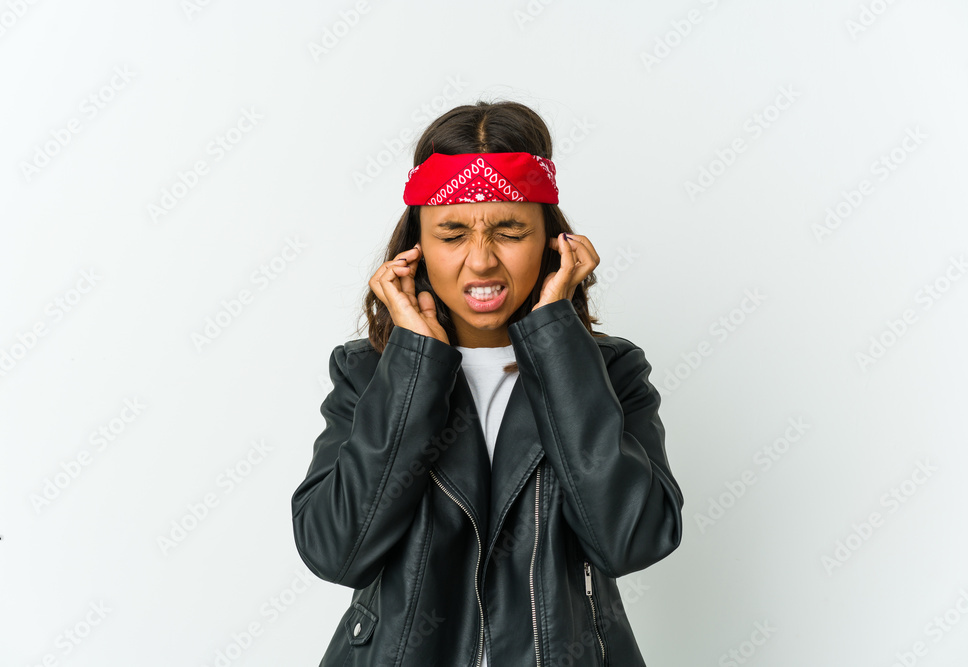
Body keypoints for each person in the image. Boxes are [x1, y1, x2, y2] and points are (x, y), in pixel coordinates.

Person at [290, 100, 684, 666]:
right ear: (416, 249)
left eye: (510, 231)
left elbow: (631, 541)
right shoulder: (367, 372)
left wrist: (558, 345)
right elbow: (336, 552)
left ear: (552, 242)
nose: (480, 262)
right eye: (452, 234)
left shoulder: (610, 371)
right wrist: (415, 367)